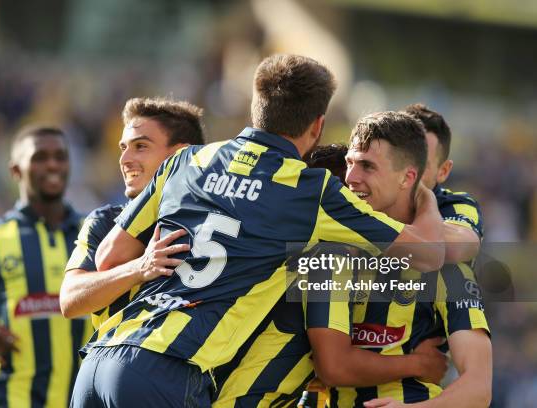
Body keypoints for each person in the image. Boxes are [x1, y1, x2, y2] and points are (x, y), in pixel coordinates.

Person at [89, 54, 444, 407]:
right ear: (317, 126)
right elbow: (428, 254)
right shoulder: (308, 191)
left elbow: (107, 258)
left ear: (256, 108)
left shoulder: (187, 160)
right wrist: (427, 196)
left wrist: (146, 265)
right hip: (170, 369)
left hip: (99, 358)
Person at [332, 111, 492, 407]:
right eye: (350, 163)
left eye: (368, 166)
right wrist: (414, 364)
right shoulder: (328, 233)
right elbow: (329, 364)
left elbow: (479, 388)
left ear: (410, 177)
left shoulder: (449, 264)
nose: (351, 178)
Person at [0, 126, 93, 407]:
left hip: (80, 398)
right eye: (40, 157)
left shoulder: (95, 233)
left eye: (60, 156)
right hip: (10, 397)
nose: (52, 164)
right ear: (15, 170)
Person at [60, 97, 206, 329]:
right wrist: (139, 268)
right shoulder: (105, 220)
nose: (125, 160)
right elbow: (70, 300)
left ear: (181, 155)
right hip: (113, 359)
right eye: (123, 148)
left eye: (141, 146)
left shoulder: (211, 222)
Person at [402, 103, 483, 264]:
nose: (405, 172)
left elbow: (456, 248)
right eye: (399, 160)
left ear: (443, 171)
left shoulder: (458, 204)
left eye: (421, 165)